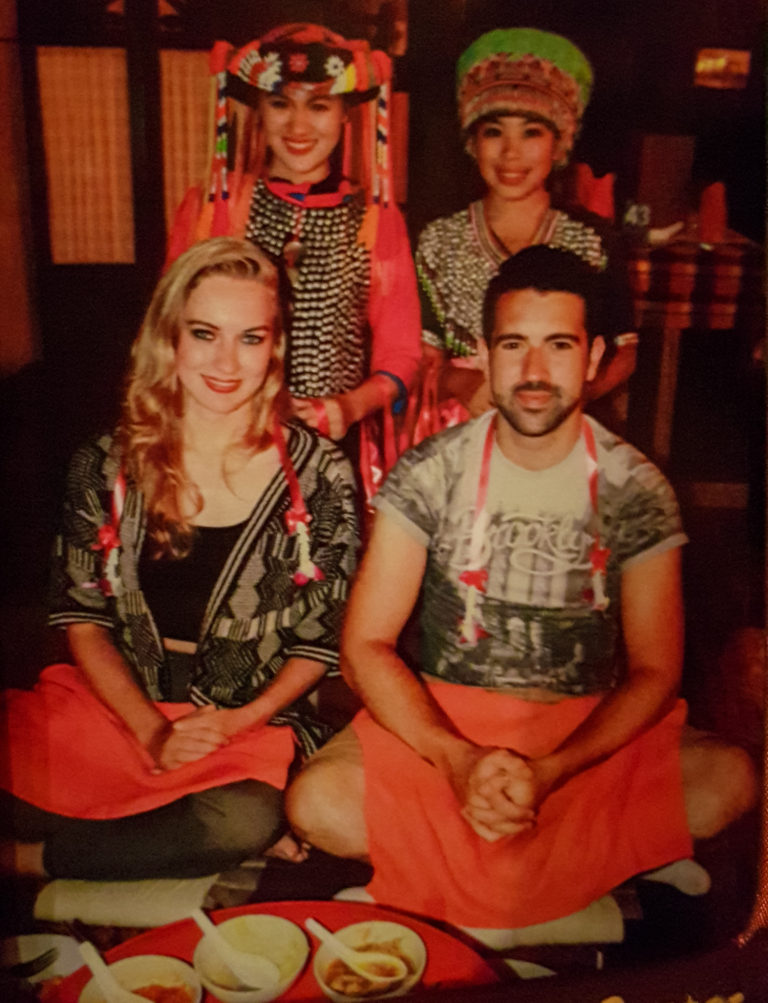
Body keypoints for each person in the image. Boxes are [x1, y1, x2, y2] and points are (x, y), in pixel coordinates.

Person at [286, 246, 757, 931]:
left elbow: (656, 671)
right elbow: (364, 645)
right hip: (447, 724)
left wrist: (553, 769)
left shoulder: (637, 486)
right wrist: (456, 760)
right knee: (318, 800)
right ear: (483, 352)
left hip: (580, 733)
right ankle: (600, 860)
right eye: (514, 345)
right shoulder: (428, 472)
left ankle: (443, 865)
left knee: (729, 780)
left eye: (558, 345)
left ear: (593, 357)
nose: (535, 373)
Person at [0, 237, 359, 881]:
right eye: (204, 333)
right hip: (117, 707)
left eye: (250, 338)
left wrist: (230, 725)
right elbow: (81, 618)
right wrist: (151, 732)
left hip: (250, 723)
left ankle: (32, 861)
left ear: (274, 348)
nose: (226, 361)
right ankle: (156, 838)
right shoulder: (105, 462)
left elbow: (320, 640)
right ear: (169, 336)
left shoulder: (321, 474)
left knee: (241, 817)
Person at [169, 22, 421, 500]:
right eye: (281, 103)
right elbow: (169, 331)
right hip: (221, 440)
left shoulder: (375, 219)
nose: (298, 127)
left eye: (318, 105)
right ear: (259, 111)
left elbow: (401, 352)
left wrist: (348, 406)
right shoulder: (214, 206)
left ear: (345, 114)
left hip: (331, 446)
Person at [412, 27, 637, 438]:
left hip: (560, 429)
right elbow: (422, 356)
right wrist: (463, 384)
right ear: (472, 142)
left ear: (560, 144)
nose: (511, 153)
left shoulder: (592, 242)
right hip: (459, 430)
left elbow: (624, 351)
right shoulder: (436, 241)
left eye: (531, 133)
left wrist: (573, 398)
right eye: (494, 132)